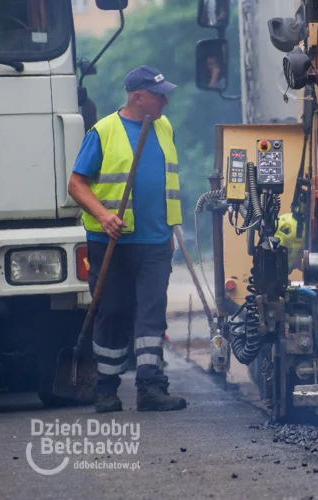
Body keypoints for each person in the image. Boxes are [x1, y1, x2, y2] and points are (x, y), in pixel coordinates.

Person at [68, 65, 186, 413]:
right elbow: (76, 184)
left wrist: (170, 231)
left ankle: (151, 387)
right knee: (112, 312)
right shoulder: (103, 131)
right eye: (158, 94)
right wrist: (104, 216)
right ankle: (106, 389)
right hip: (112, 244)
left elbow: (164, 182)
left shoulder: (164, 127)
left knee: (152, 314)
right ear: (138, 96)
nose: (165, 100)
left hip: (155, 242)